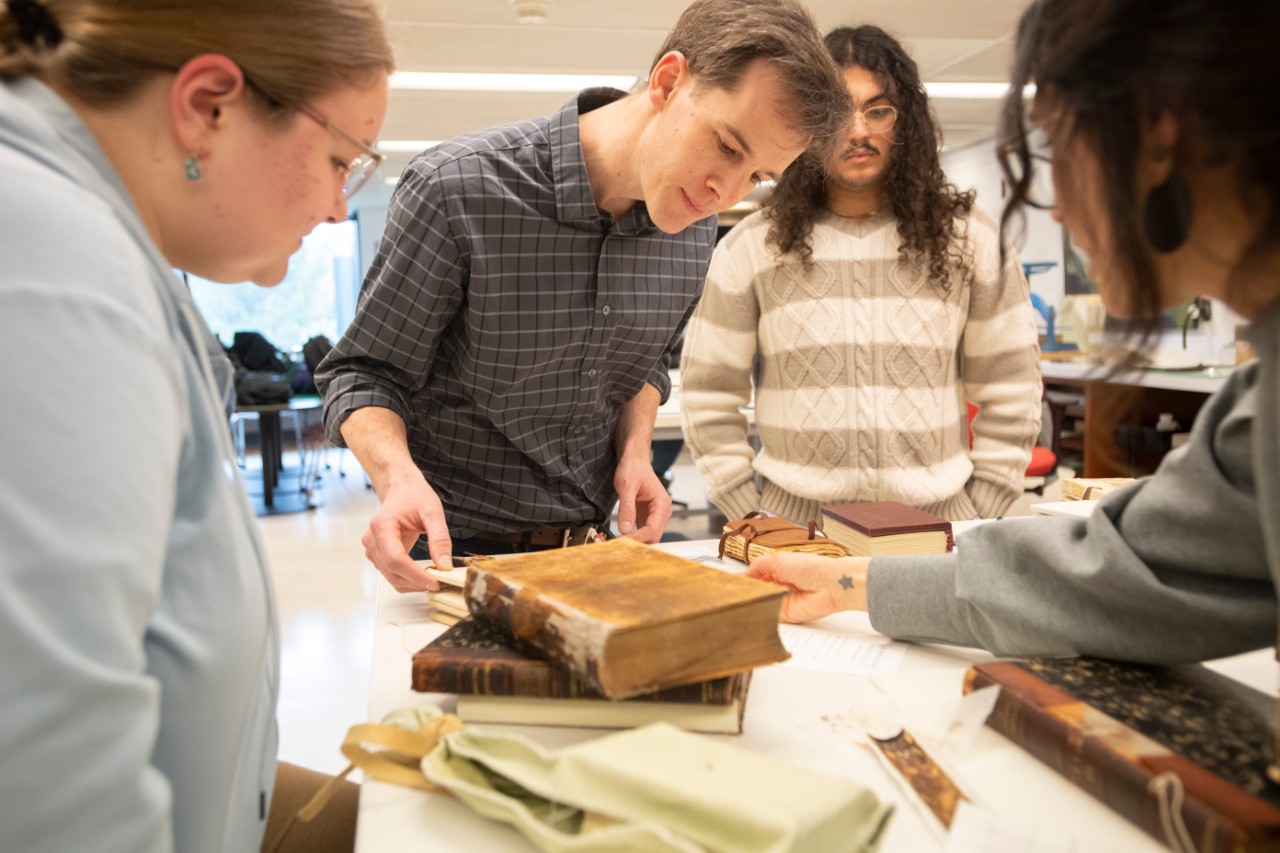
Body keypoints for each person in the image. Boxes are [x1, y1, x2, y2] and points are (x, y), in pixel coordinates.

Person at [746, 0, 1280, 664]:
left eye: (1058, 145)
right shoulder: (1256, 418)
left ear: (1155, 137)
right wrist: (851, 580)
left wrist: (967, 514)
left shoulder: (971, 240)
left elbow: (1114, 567)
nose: (1055, 201)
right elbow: (1126, 572)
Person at [0, 1, 392, 851]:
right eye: (339, 159)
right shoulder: (53, 262)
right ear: (208, 104)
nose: (335, 208)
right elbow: (47, 772)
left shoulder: (111, 246)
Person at [316, 0, 852, 592]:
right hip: (451, 558)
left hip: (597, 551)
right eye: (726, 146)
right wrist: (396, 480)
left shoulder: (693, 223)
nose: (722, 192)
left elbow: (644, 362)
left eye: (755, 177)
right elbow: (364, 372)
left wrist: (636, 449)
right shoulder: (457, 189)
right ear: (669, 81)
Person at [679, 25, 1043, 526]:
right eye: (838, 112)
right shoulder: (751, 247)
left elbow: (1013, 386)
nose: (858, 131)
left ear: (906, 120)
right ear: (807, 123)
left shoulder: (971, 240)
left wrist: (980, 510)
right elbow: (707, 392)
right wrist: (749, 514)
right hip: (797, 530)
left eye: (878, 110)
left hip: (940, 530)